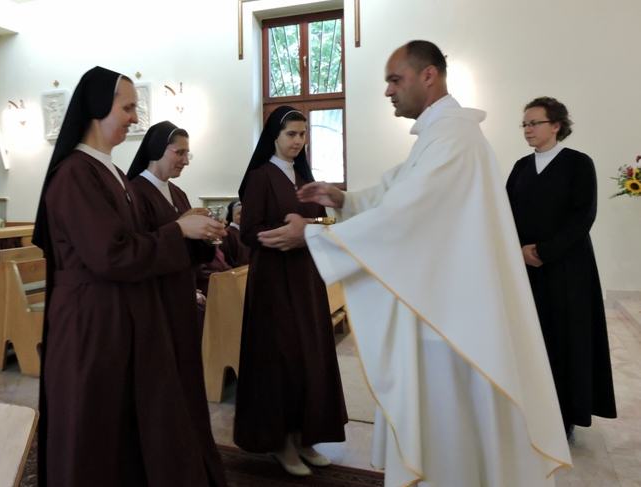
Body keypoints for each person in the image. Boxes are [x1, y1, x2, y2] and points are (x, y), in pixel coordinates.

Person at [258, 41, 572, 486]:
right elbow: (400, 191)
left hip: (450, 317)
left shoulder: (453, 138)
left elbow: (406, 215)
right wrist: (345, 200)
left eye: (394, 80)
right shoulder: (441, 135)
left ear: (428, 75)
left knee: (450, 425)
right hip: (444, 304)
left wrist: (312, 235)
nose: (388, 91)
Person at [33, 67, 225, 487]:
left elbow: (140, 243)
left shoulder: (113, 173)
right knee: (95, 430)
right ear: (98, 107)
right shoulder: (74, 173)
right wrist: (178, 231)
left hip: (118, 317)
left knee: (123, 430)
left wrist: (188, 231)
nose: (135, 118)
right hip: (91, 324)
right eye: (128, 108)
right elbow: (111, 254)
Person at [233, 105, 347, 476]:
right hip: (274, 280)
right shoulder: (260, 176)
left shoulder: (302, 175)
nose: (298, 141)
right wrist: (283, 235)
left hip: (306, 278)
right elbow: (249, 231)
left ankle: (306, 437)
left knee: (310, 356)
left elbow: (320, 219)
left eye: (302, 134)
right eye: (291, 134)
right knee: (281, 359)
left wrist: (311, 228)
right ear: (274, 137)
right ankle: (281, 442)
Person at [506, 96, 616, 439]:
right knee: (531, 339)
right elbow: (505, 212)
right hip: (527, 269)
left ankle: (563, 416)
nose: (527, 130)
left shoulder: (578, 164)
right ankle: (530, 411)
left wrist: (544, 251)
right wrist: (518, 250)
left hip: (568, 269)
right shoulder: (521, 167)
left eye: (534, 123)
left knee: (566, 341)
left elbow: (583, 215)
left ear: (556, 125)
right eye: (524, 124)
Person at [126, 120, 228, 486]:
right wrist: (181, 228)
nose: (185, 159)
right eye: (179, 152)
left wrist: (208, 238)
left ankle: (192, 458)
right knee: (163, 386)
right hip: (155, 303)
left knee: (187, 382)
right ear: (157, 150)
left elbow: (188, 249)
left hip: (181, 299)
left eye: (188, 153)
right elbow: (140, 249)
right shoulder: (135, 192)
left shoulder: (179, 194)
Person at [220, 200, 250, 267]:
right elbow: (228, 259)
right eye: (240, 213)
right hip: (237, 271)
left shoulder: (247, 232)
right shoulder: (227, 233)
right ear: (231, 215)